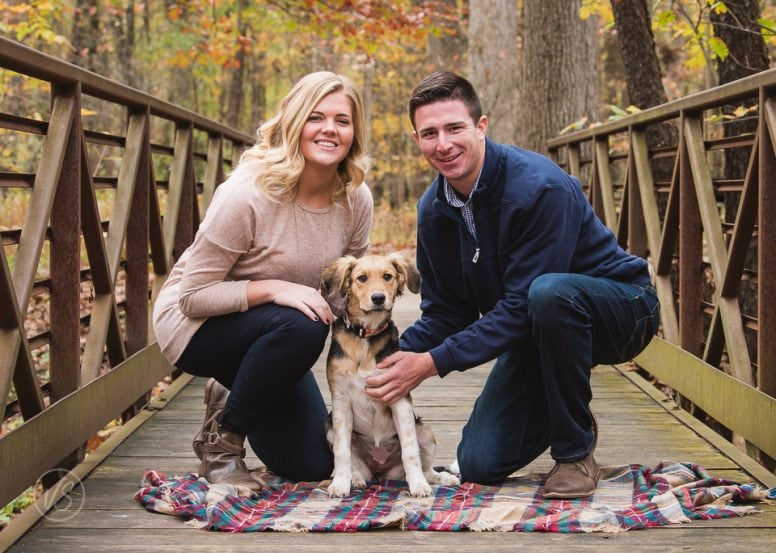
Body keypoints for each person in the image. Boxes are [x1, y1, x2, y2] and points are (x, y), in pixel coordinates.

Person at [365, 71, 659, 499]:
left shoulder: (539, 187)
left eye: (454, 128)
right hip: (540, 329)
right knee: (481, 464)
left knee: (550, 292)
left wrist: (430, 364)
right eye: (429, 133)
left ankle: (575, 450)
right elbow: (449, 310)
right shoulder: (433, 210)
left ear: (481, 127)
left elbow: (523, 305)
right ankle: (564, 405)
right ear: (417, 139)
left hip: (623, 309)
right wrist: (390, 357)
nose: (443, 144)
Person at [152, 71, 373, 492]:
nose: (330, 129)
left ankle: (231, 391)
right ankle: (224, 444)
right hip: (196, 327)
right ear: (293, 123)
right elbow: (191, 297)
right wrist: (275, 288)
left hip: (276, 333)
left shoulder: (356, 199)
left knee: (310, 464)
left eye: (342, 121)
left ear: (354, 132)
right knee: (305, 322)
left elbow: (346, 296)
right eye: (315, 117)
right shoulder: (246, 195)